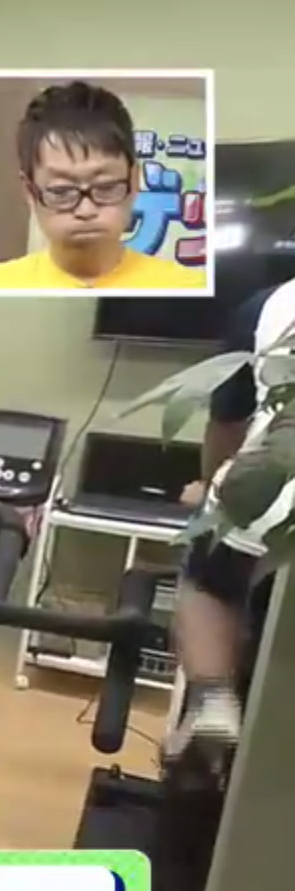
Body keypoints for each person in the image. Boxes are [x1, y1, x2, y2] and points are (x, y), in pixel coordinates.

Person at [166, 273, 295, 762]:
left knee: (207, 580)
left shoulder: (273, 304)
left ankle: (212, 697)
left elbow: (228, 424)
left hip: (270, 502)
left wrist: (209, 487)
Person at [0, 81, 207, 292]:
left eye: (106, 187)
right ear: (30, 192)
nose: (86, 210)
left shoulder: (190, 287)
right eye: (61, 191)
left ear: (134, 181)